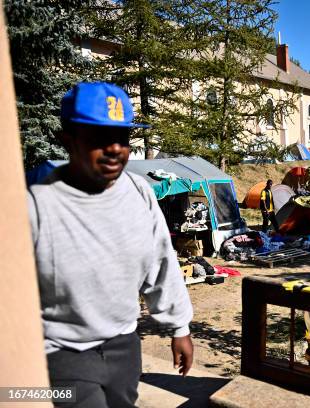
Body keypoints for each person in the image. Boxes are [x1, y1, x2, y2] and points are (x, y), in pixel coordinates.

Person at [27, 82, 194, 407]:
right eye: (100, 138)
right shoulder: (36, 204)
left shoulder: (138, 193)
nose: (115, 148)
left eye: (122, 138)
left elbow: (161, 262)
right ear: (68, 140)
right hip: (63, 352)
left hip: (123, 348)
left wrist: (179, 326)